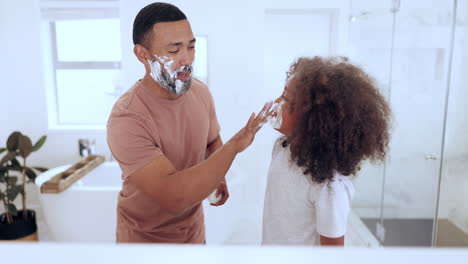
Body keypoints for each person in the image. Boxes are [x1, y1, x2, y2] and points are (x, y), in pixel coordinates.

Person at [107, 2, 271, 244]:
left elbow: (211, 140)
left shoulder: (201, 93)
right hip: (143, 244)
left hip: (194, 236)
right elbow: (174, 197)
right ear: (142, 54)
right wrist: (234, 147)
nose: (186, 60)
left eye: (191, 47)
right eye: (173, 51)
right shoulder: (127, 118)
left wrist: (218, 175)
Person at [262, 56, 391, 246]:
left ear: (312, 118)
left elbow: (332, 253)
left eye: (287, 99)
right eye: (281, 94)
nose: (276, 102)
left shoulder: (329, 187)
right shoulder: (282, 148)